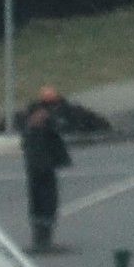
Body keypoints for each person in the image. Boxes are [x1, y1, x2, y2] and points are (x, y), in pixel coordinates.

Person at [16, 84, 111, 250]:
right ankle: (43, 241)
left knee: (39, 198)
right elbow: (65, 126)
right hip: (42, 164)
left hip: (36, 164)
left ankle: (40, 239)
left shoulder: (32, 116)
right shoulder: (46, 117)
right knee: (46, 199)